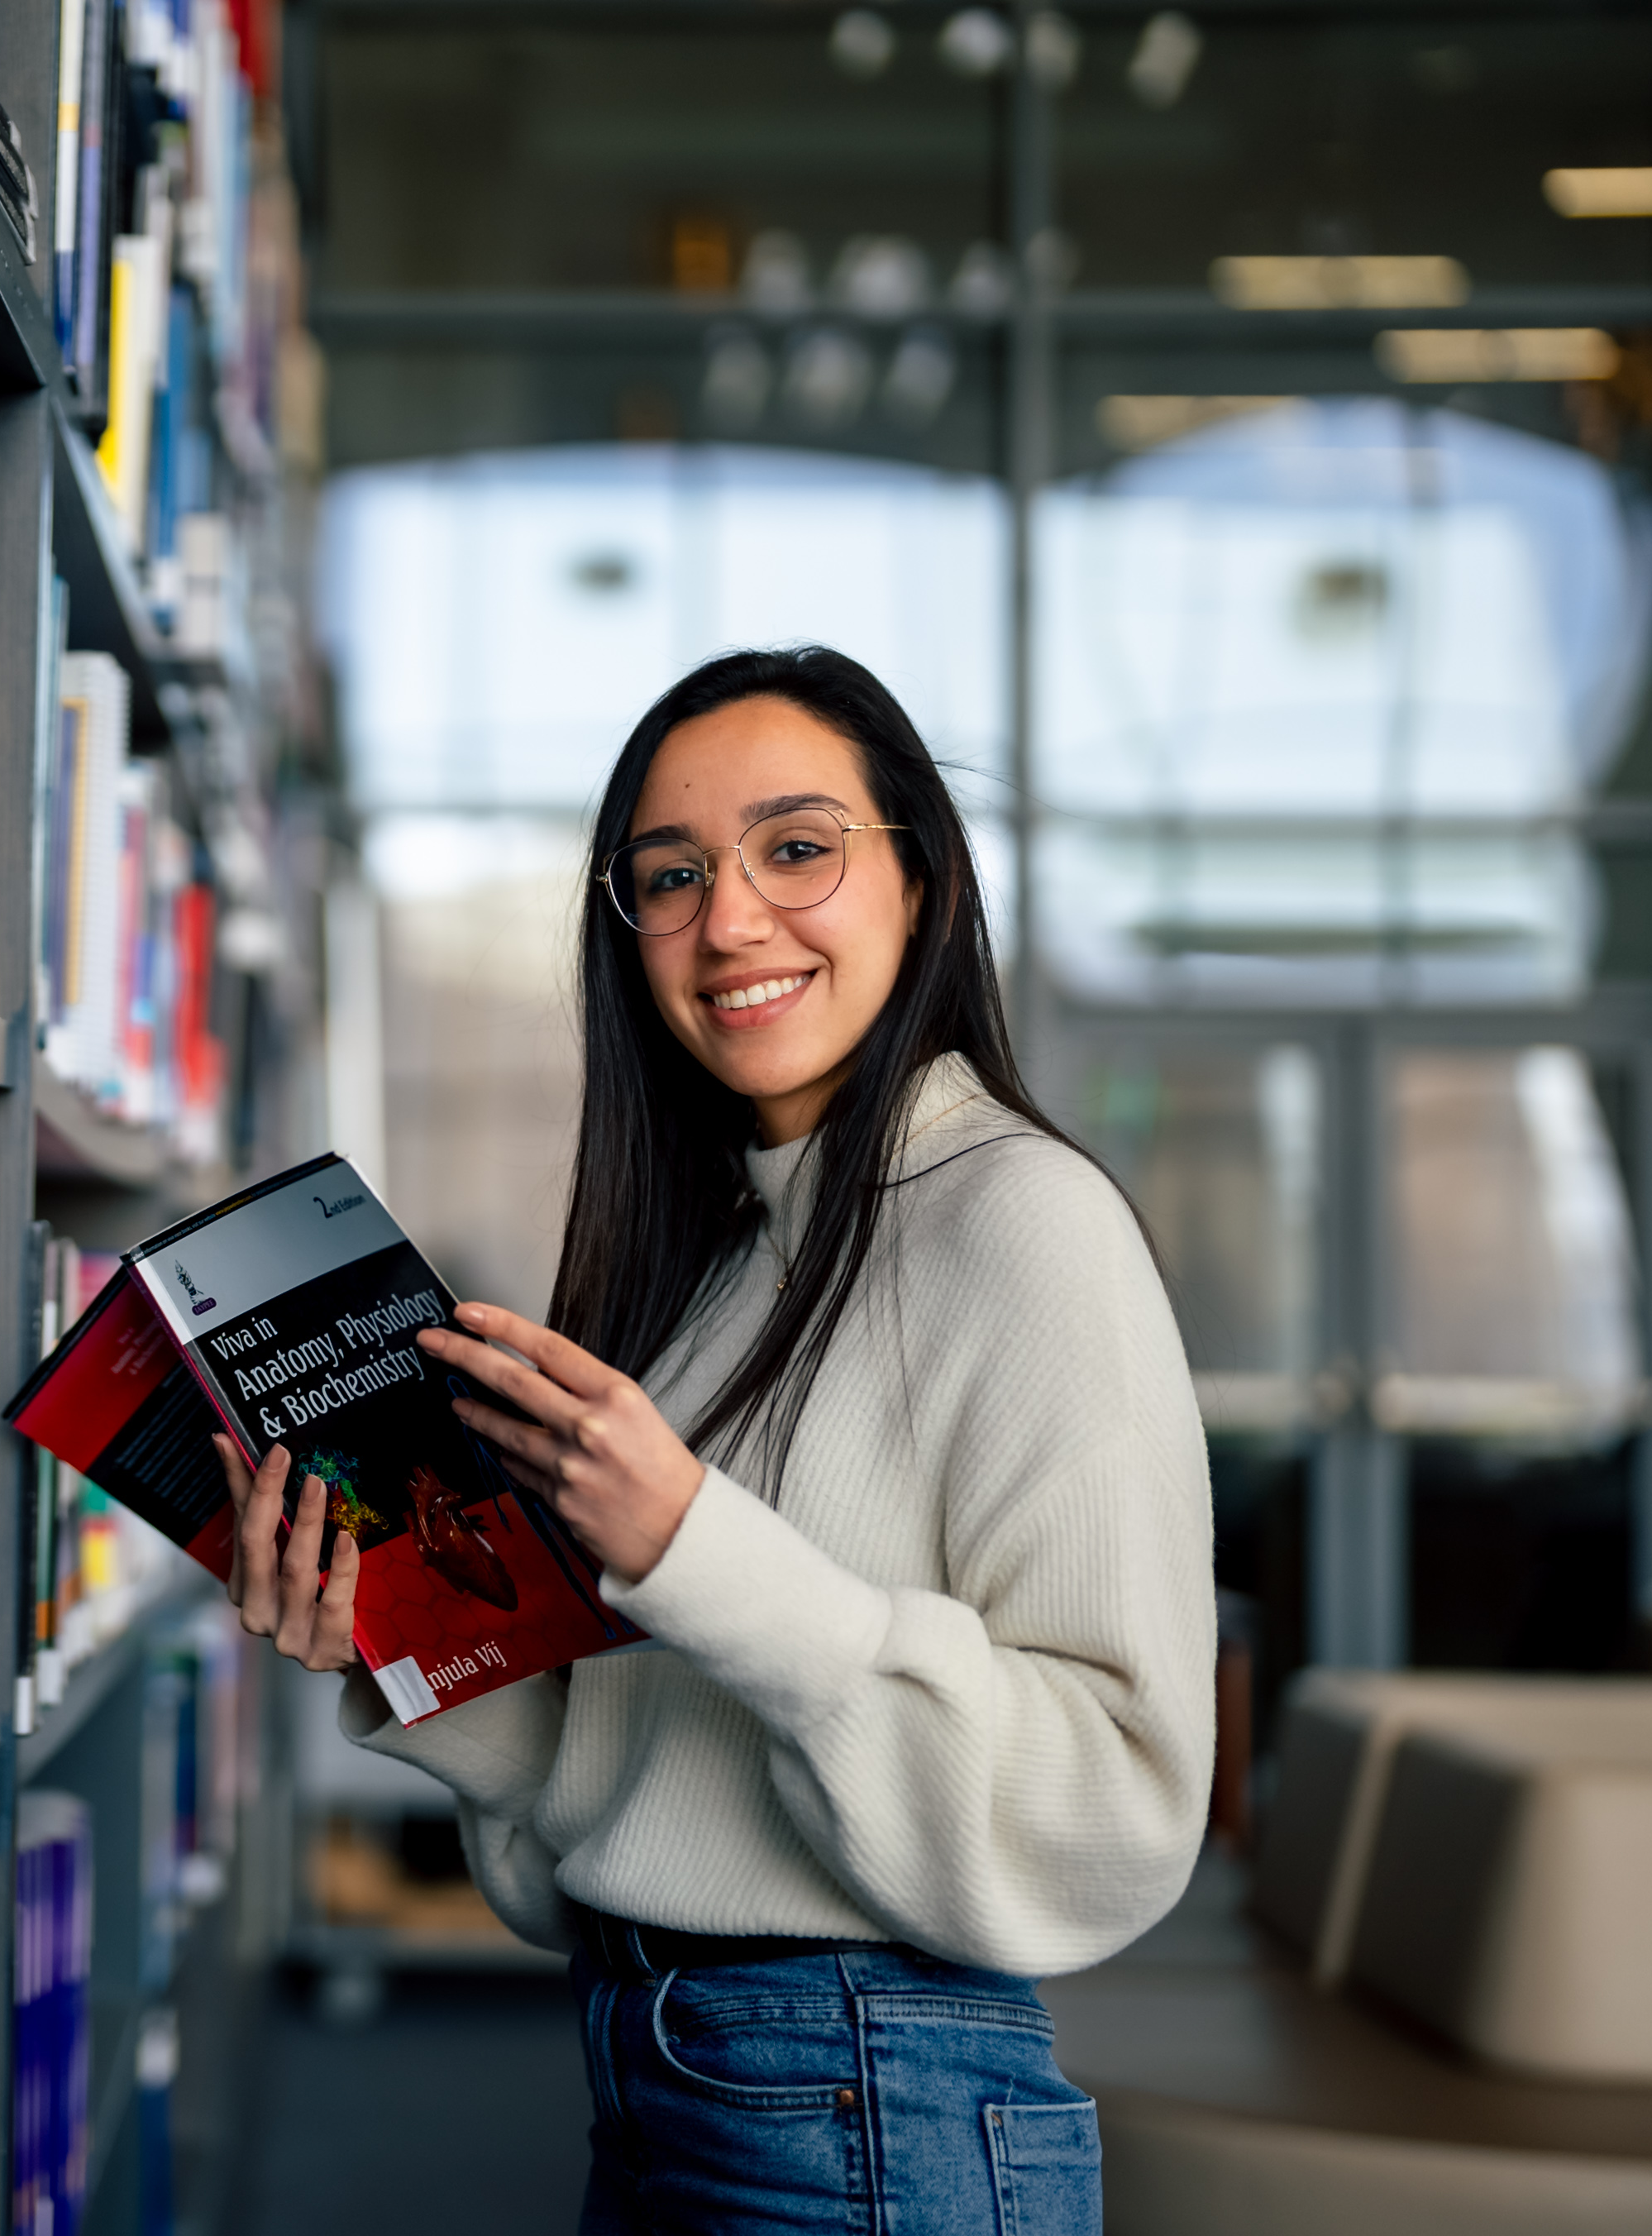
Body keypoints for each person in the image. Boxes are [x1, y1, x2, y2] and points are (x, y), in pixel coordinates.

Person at [214, 646, 1210, 2235]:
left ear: (927, 882)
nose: (729, 921)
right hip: (662, 2065)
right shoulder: (723, 1267)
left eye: (798, 848)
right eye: (669, 876)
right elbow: (624, 1799)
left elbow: (1119, 1807)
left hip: (865, 2093)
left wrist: (693, 1548)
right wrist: (383, 1643)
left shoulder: (1026, 1220)